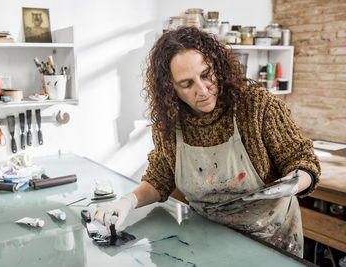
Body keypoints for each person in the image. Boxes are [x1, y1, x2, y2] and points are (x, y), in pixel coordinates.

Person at [92, 27, 320, 257]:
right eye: (186, 83)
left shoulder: (258, 107)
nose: (202, 90)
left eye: (206, 74)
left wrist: (294, 181)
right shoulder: (170, 125)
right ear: (170, 87)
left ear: (217, 67)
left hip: (271, 240)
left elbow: (303, 161)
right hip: (209, 239)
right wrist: (127, 202)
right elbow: (159, 178)